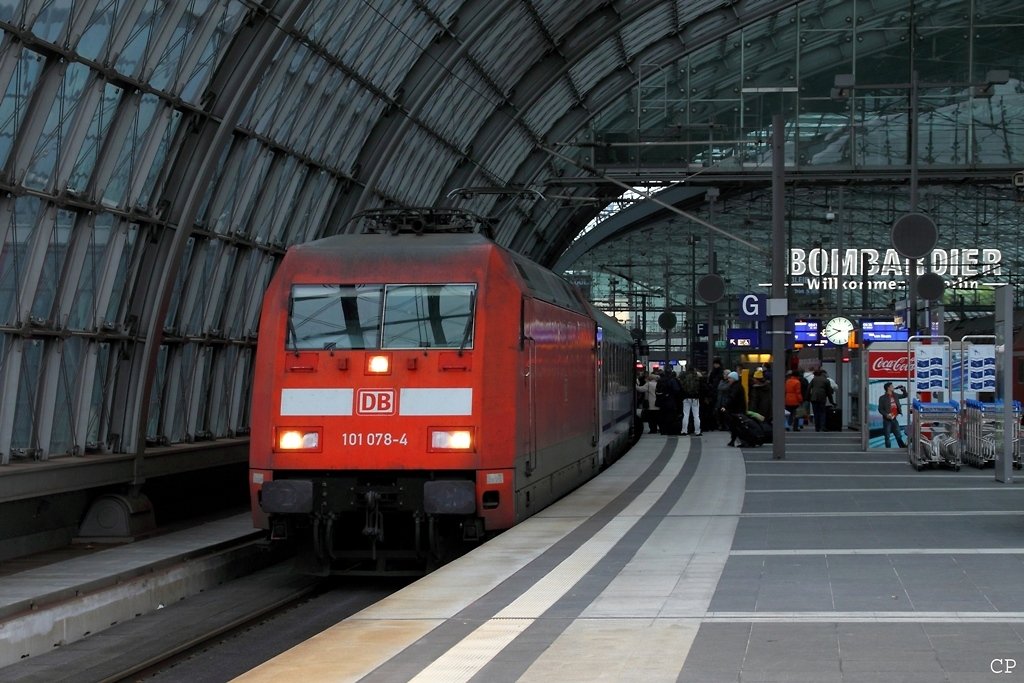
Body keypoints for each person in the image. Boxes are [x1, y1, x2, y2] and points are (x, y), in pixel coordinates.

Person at [878, 381, 908, 448]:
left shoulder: (895, 395)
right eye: (892, 386)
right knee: (887, 436)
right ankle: (888, 450)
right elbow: (880, 409)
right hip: (887, 420)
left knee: (898, 435)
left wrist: (903, 390)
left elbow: (905, 395)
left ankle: (902, 448)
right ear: (888, 388)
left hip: (894, 419)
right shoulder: (882, 398)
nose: (893, 387)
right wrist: (886, 415)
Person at [721, 371, 747, 446]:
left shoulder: (735, 387)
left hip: (736, 410)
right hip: (737, 409)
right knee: (735, 426)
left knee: (737, 426)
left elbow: (732, 398)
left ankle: (740, 440)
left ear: (734, 379)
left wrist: (725, 405)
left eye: (729, 378)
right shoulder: (737, 386)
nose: (728, 379)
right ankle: (734, 440)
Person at [656, 369, 682, 435]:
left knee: (662, 416)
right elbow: (677, 390)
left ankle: (663, 430)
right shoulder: (672, 380)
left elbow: (657, 391)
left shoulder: (660, 380)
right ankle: (670, 430)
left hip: (662, 401)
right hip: (670, 401)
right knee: (670, 416)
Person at [680, 364, 703, 436]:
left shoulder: (684, 377)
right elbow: (701, 387)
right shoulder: (697, 377)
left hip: (686, 397)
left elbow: (682, 386)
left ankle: (684, 430)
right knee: (696, 415)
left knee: (686, 414)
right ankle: (697, 431)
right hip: (695, 398)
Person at [705, 357, 724, 431]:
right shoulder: (717, 372)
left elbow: (710, 381)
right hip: (714, 393)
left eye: (716, 364)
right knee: (714, 409)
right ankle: (715, 424)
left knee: (715, 409)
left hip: (715, 393)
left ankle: (715, 424)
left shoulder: (715, 372)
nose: (715, 365)